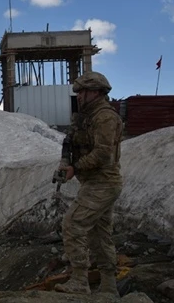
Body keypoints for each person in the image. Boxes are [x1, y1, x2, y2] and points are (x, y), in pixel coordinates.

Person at [53, 71, 124, 298]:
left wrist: (76, 168)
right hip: (95, 183)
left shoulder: (105, 117)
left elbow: (103, 154)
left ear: (97, 92)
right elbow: (69, 143)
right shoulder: (84, 117)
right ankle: (109, 287)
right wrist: (66, 163)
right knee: (100, 235)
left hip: (102, 183)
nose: (80, 96)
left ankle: (79, 281)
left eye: (83, 91)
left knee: (73, 225)